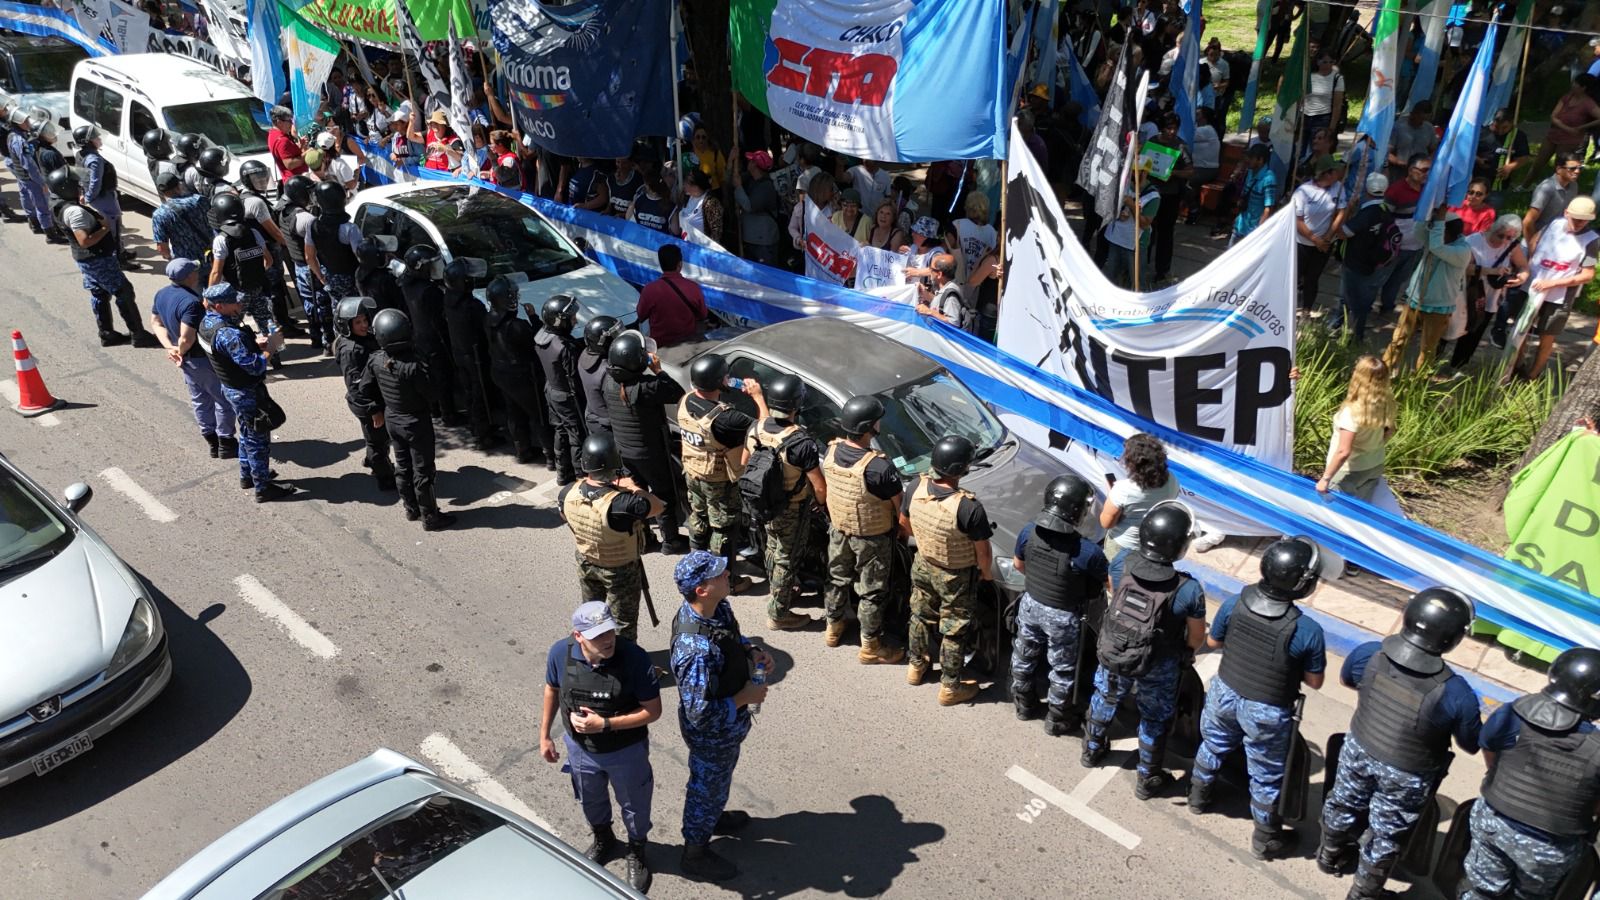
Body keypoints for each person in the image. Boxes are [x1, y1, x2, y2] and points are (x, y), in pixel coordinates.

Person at [1317, 588, 1481, 900]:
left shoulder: (1370, 653)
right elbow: (1470, 743)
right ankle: (1364, 893)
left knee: (1343, 802)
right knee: (1385, 833)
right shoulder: (1456, 693)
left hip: (1360, 749)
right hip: (1408, 774)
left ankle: (1328, 855)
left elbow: (1347, 680)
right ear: (1452, 638)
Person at [1188, 538, 1327, 859]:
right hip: (1266, 709)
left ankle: (1198, 797)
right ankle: (1265, 838)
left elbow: (1213, 640)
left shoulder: (1234, 603)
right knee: (1265, 773)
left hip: (1224, 692)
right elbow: (1315, 681)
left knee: (1212, 744)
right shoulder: (1307, 630)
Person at [1082, 500, 1207, 800]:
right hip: (1159, 663)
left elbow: (1115, 593)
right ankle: (1147, 776)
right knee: (1153, 718)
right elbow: (1196, 639)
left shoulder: (1122, 560)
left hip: (1116, 649)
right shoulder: (1188, 589)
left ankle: (1092, 749)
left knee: (1105, 697)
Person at [539, 601, 661, 893]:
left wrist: (605, 724)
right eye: (597, 636)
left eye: (610, 633)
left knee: (635, 805)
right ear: (578, 636)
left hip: (626, 751)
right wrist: (544, 735)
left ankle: (637, 850)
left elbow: (653, 711)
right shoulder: (560, 653)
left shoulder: (634, 658)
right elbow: (552, 689)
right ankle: (604, 839)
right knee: (590, 799)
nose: (607, 641)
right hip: (581, 749)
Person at [1460, 647, 1600, 900]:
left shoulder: (1514, 712)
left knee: (1482, 890)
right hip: (1549, 847)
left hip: (1493, 822)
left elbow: (1489, 747)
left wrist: (1501, 779)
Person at [670, 550, 772, 882]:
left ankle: (712, 816)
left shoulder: (716, 609)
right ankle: (694, 852)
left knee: (718, 782)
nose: (728, 574)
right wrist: (746, 697)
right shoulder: (694, 650)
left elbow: (731, 637)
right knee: (705, 788)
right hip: (712, 735)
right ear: (701, 589)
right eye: (719, 574)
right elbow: (700, 714)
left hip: (729, 727)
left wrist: (750, 650)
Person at [1010, 474, 1107, 734]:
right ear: (1078, 512)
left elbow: (1019, 565)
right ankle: (1057, 719)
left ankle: (1023, 704)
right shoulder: (1088, 552)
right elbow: (1106, 586)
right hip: (1063, 616)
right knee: (1062, 669)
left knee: (1024, 655)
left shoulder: (1028, 532)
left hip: (1030, 603)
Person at [901, 435, 992, 706]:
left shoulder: (916, 486)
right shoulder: (968, 507)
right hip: (956, 576)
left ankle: (916, 666)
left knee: (920, 615)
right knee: (954, 628)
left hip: (924, 563)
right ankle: (950, 686)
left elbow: (904, 524)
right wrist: (986, 574)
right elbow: (983, 552)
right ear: (962, 469)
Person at [820, 395, 907, 662]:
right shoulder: (879, 467)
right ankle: (871, 646)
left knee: (836, 577)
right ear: (870, 426)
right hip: (872, 537)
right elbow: (899, 507)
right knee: (871, 590)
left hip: (839, 530)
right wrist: (902, 531)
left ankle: (833, 628)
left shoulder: (831, 451)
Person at [358, 308, 455, 531]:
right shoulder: (412, 366)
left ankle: (411, 509)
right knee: (423, 471)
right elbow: (431, 394)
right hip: (415, 422)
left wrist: (378, 406)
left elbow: (364, 388)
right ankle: (430, 516)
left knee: (403, 467)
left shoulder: (376, 360)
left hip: (393, 419)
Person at [559, 434, 662, 642]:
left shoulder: (567, 493)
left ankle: (590, 649)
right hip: (619, 570)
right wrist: (633, 487)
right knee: (623, 624)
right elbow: (658, 506)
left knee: (590, 614)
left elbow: (566, 516)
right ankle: (624, 664)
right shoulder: (623, 504)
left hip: (586, 560)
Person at [197, 283, 293, 502]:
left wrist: (253, 343)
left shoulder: (207, 323)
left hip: (231, 388)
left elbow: (229, 352)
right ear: (219, 306)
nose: (239, 304)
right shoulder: (228, 334)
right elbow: (256, 366)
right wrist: (272, 346)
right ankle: (263, 486)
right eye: (234, 302)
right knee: (258, 438)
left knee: (247, 433)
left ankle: (247, 475)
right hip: (245, 391)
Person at [747, 374, 826, 631]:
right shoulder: (801, 442)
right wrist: (822, 505)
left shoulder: (756, 428)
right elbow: (819, 485)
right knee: (786, 557)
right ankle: (779, 614)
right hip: (791, 508)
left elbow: (743, 463)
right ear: (797, 405)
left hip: (762, 503)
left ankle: (778, 590)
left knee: (773, 548)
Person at [48, 167, 158, 348]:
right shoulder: (74, 212)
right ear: (66, 188)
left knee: (99, 292)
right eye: (76, 185)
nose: (79, 187)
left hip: (86, 260)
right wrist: (105, 227)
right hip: (97, 259)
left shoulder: (61, 205)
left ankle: (107, 334)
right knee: (123, 291)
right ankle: (138, 335)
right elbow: (84, 240)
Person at [679, 353, 764, 576]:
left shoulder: (687, 400)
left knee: (698, 518)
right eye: (726, 377)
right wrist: (757, 397)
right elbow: (764, 431)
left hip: (693, 473)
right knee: (723, 528)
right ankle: (725, 578)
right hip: (718, 482)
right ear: (719, 382)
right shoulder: (727, 419)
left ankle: (694, 564)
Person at [604, 331, 688, 553]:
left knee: (637, 493)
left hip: (625, 450)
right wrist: (658, 371)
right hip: (650, 452)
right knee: (663, 494)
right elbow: (676, 392)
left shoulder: (608, 381)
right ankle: (671, 540)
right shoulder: (646, 386)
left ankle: (644, 538)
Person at [149, 258, 236, 459]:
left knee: (200, 399)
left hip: (187, 362)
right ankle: (226, 442)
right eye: (195, 271)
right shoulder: (191, 303)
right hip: (200, 358)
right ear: (189, 276)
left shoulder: (162, 294)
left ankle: (212, 441)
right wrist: (179, 349)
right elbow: (186, 337)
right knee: (222, 399)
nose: (198, 273)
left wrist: (169, 347)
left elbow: (155, 322)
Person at [1516, 196, 1599, 380]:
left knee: (1547, 336)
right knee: (1521, 330)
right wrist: (1528, 265)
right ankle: (1516, 365)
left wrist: (1552, 283)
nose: (1578, 223)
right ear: (1566, 213)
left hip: (1559, 297)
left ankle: (1532, 375)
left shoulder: (1591, 240)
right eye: (1575, 218)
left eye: (1583, 220)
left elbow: (1587, 275)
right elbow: (1534, 242)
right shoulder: (1553, 224)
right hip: (1532, 289)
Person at [1382, 208, 1472, 374]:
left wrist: (1439, 221)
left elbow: (1437, 247)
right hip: (1415, 299)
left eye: (1438, 228)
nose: (1432, 232)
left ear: (1448, 232)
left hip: (1438, 306)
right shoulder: (1436, 239)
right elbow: (1418, 232)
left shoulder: (1462, 251)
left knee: (1427, 349)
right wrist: (1428, 213)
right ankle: (1382, 372)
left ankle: (1419, 383)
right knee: (1398, 340)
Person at [483, 277, 554, 466]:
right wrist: (533, 317)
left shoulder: (489, 319)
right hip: (521, 376)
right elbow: (539, 339)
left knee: (514, 412)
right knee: (539, 413)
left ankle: (522, 450)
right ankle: (550, 455)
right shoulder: (516, 326)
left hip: (500, 372)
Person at [1100, 432, 1180, 587]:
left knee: (1117, 579)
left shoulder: (1124, 490)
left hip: (1123, 545)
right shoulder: (1172, 480)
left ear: (1134, 464)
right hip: (1153, 544)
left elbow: (1106, 523)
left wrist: (1112, 497)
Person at [333, 296, 395, 493]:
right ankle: (384, 476)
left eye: (364, 320)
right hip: (367, 403)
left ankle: (372, 460)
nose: (363, 325)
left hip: (374, 398)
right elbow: (355, 386)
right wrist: (373, 410)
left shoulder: (363, 339)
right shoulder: (351, 350)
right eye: (357, 322)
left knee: (379, 437)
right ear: (346, 325)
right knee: (377, 440)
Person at [209, 193, 280, 366]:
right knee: (266, 323)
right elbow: (268, 260)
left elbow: (216, 272)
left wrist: (209, 297)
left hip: (236, 294)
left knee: (231, 327)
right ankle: (275, 357)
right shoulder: (254, 232)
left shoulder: (221, 240)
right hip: (258, 287)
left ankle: (243, 362)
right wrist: (255, 272)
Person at [1316, 355, 1396, 501]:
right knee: (1360, 513)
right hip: (1374, 465)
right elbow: (1390, 429)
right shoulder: (1386, 403)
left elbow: (1343, 451)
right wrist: (1374, 446)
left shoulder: (1351, 412)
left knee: (1338, 513)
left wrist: (1325, 479)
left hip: (1349, 471)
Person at [1330, 174, 1400, 341]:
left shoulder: (1367, 213)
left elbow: (1343, 233)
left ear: (1367, 190)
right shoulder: (1385, 211)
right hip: (1373, 264)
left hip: (1355, 263)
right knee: (1361, 300)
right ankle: (1346, 329)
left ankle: (1350, 333)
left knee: (1350, 300)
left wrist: (1345, 212)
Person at [1454, 214, 1527, 368]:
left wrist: (1521, 278)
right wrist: (1492, 271)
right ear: (1493, 228)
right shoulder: (1473, 241)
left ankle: (1458, 365)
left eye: (1509, 238)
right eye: (1501, 236)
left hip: (1489, 298)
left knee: (1474, 334)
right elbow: (1464, 268)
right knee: (1451, 328)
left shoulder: (1512, 245)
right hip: (1465, 293)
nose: (1504, 241)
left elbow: (1524, 266)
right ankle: (1430, 363)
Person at [398, 244, 459, 425]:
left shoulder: (405, 283)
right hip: (434, 338)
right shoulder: (429, 291)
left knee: (429, 375)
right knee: (442, 376)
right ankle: (449, 413)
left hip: (418, 336)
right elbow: (440, 318)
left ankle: (434, 409)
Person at [304, 181, 362, 356]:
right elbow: (360, 255)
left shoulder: (312, 225)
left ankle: (341, 348)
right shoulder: (349, 228)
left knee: (339, 311)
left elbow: (309, 257)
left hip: (331, 276)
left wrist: (321, 276)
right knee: (358, 312)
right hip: (353, 277)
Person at [535, 294, 585, 484]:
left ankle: (562, 472)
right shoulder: (565, 347)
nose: (575, 321)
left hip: (551, 391)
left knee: (560, 431)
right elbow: (575, 378)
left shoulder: (542, 337)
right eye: (571, 319)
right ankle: (581, 475)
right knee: (576, 435)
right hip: (566, 396)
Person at [1292, 155, 1347, 315]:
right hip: (1302, 242)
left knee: (1312, 278)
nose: (1338, 174)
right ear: (1326, 174)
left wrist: (1328, 237)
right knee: (1295, 277)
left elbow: (1341, 212)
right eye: (1334, 172)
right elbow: (1297, 219)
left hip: (1324, 244)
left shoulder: (1338, 188)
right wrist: (1315, 239)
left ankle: (1306, 311)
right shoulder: (1303, 192)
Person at [1378, 154, 1432, 317]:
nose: (1426, 174)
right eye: (1423, 170)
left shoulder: (1428, 191)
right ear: (1410, 170)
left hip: (1415, 246)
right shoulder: (1396, 190)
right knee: (1380, 278)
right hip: (1394, 247)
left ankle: (1387, 306)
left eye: (1429, 171)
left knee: (1398, 280)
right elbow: (1384, 217)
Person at [1146, 113, 1194, 284]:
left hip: (1170, 196)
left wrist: (1172, 173)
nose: (1172, 132)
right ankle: (1142, 264)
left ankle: (1162, 270)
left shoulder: (1181, 146)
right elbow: (1142, 161)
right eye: (1169, 128)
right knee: (1147, 231)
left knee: (1165, 235)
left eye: (1175, 128)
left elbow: (1190, 171)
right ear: (1162, 128)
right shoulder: (1152, 141)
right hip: (1150, 194)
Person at [73, 125, 132, 266]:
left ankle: (121, 251)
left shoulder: (81, 155)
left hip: (98, 198)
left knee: (113, 227)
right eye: (95, 137)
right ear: (88, 141)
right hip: (104, 198)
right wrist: (88, 197)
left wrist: (83, 194)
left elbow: (79, 176)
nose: (99, 139)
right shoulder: (94, 159)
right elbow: (95, 182)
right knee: (113, 229)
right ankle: (119, 260)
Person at [1526, 78, 1600, 185]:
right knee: (1538, 163)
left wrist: (1582, 127)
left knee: (1560, 166)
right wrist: (1567, 128)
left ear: (1583, 88)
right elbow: (1553, 116)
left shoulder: (1588, 103)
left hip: (1569, 140)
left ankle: (1557, 189)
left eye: (1576, 84)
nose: (1572, 85)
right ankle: (1525, 185)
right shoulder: (1567, 97)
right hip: (1554, 134)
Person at [635, 244, 708, 347]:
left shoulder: (649, 290)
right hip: (689, 347)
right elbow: (703, 315)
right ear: (680, 264)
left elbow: (641, 315)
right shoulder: (693, 288)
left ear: (661, 265)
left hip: (661, 349)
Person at [1103, 172, 1160, 290]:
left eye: (1137, 171)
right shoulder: (1122, 185)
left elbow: (1144, 224)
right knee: (1112, 277)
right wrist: (1118, 214)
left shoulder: (1152, 196)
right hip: (1116, 238)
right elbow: (1106, 207)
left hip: (1135, 244)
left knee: (1136, 281)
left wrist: (1133, 207)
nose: (1133, 174)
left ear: (1145, 172)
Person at [1523, 151, 1583, 253]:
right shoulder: (1546, 188)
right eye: (1572, 168)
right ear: (1559, 169)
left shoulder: (1574, 186)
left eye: (1580, 168)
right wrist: (1532, 248)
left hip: (1559, 238)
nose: (1577, 171)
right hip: (1538, 240)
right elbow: (1527, 222)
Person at [731, 149, 782, 266]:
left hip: (763, 242)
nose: (748, 162)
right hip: (753, 240)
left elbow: (750, 206)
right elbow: (732, 180)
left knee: (766, 275)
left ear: (755, 165)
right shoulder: (751, 179)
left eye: (751, 161)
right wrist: (731, 161)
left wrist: (738, 187)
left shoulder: (766, 187)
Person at [1474, 108, 1530, 187]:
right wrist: (1477, 159)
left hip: (1499, 184)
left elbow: (1524, 157)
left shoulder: (1518, 136)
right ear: (1493, 121)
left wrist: (1509, 167)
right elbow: (1467, 152)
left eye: (1504, 128)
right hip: (1477, 180)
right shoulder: (1482, 132)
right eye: (1497, 127)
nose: (1500, 131)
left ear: (1512, 123)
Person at [917, 253, 969, 329]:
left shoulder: (951, 295)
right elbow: (941, 302)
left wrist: (929, 311)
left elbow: (953, 323)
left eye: (931, 269)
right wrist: (925, 293)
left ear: (939, 274)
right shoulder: (945, 287)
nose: (929, 271)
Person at [1301, 51, 1346, 139]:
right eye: (1325, 62)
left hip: (1323, 118)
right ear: (1318, 62)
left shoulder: (1337, 78)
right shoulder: (1309, 76)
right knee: (1301, 147)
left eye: (1331, 62)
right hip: (1305, 116)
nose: (1328, 65)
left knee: (1317, 146)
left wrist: (1331, 127)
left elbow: (1337, 105)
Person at [1387, 102, 1437, 181]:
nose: (1421, 122)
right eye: (1420, 118)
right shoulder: (1398, 127)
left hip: (1420, 173)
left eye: (1424, 119)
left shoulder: (1429, 128)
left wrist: (1428, 162)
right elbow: (1387, 152)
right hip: (1399, 171)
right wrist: (1399, 162)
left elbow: (1434, 149)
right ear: (1413, 114)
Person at [626, 162, 678, 235]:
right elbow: (675, 232)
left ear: (647, 185)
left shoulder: (639, 199)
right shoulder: (670, 205)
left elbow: (628, 219)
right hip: (660, 244)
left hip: (641, 242)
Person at [266, 106, 308, 181]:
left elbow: (287, 153)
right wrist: (307, 153)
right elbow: (289, 164)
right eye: (289, 121)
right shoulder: (282, 140)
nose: (291, 124)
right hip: (296, 182)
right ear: (279, 122)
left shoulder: (272, 134)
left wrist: (299, 146)